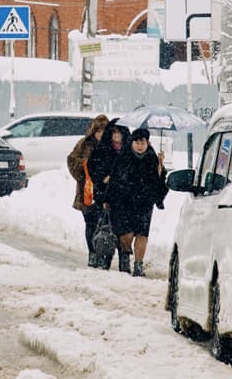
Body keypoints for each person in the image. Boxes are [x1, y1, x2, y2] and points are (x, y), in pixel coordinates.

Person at [103, 127, 168, 276]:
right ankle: (125, 256)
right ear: (132, 142)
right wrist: (107, 198)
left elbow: (159, 183)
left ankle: (138, 265)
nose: (140, 146)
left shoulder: (152, 158)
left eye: (143, 143)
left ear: (147, 143)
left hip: (144, 203)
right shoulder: (123, 156)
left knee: (141, 234)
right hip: (123, 202)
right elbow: (114, 178)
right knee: (126, 234)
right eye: (137, 142)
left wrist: (160, 168)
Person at [66, 114, 112, 266]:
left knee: (104, 224)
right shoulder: (84, 144)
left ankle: (102, 254)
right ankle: (92, 253)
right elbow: (71, 160)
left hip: (105, 191)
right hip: (87, 191)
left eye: (104, 131)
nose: (101, 134)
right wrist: (85, 166)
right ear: (93, 131)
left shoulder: (111, 146)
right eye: (98, 131)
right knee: (90, 224)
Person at [89, 122, 131, 270]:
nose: (116, 136)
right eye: (114, 132)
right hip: (105, 194)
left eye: (119, 132)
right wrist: (102, 179)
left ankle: (124, 260)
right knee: (106, 228)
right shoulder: (102, 149)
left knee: (124, 231)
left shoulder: (128, 150)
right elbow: (92, 167)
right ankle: (104, 259)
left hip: (125, 197)